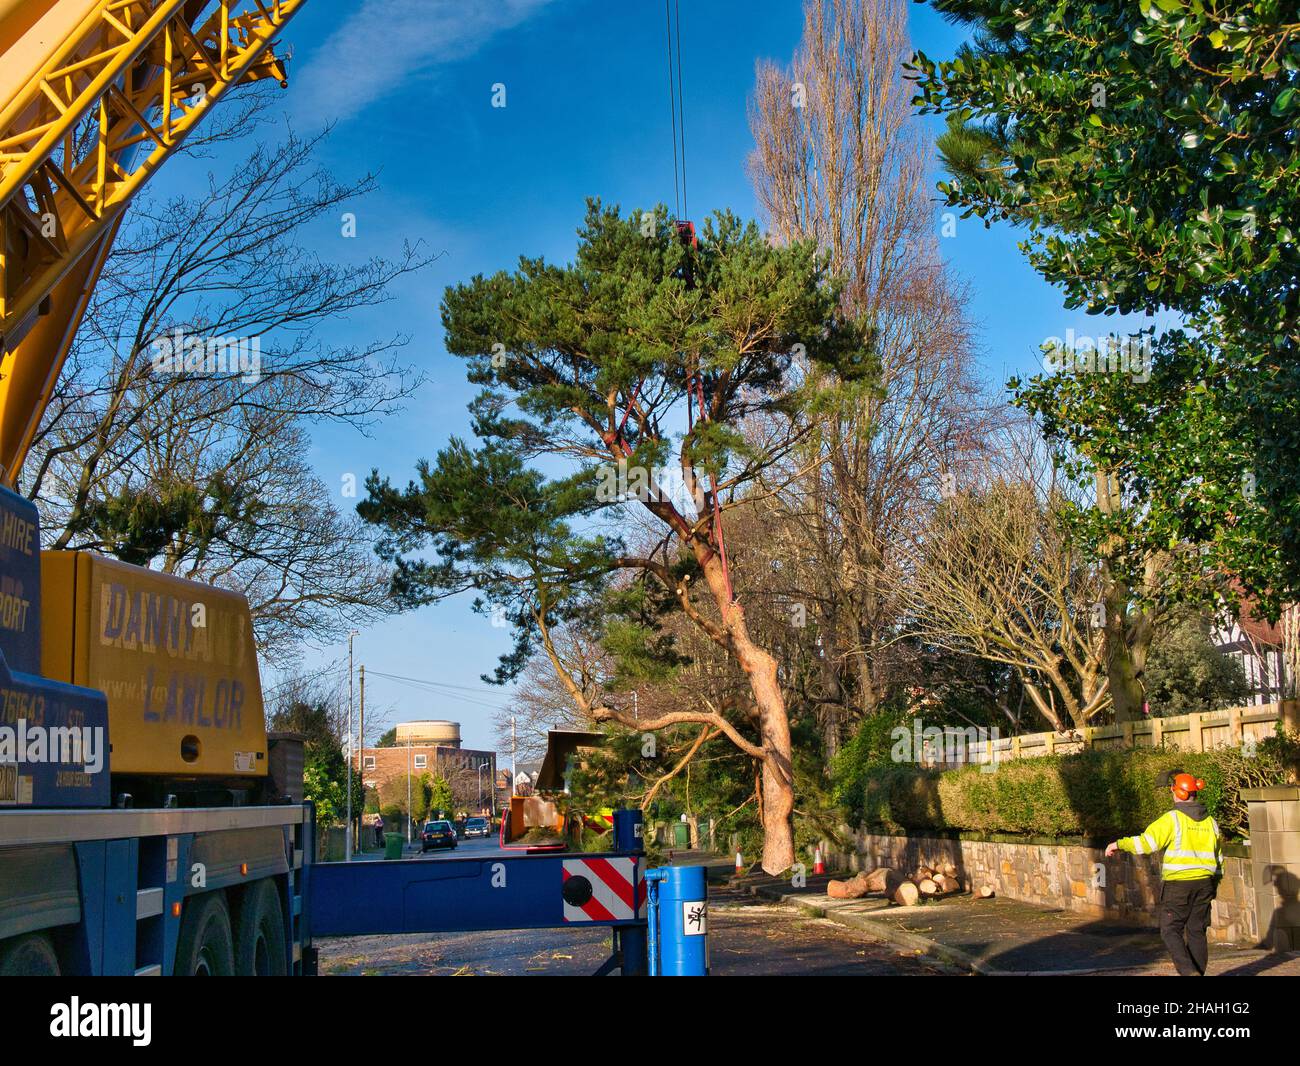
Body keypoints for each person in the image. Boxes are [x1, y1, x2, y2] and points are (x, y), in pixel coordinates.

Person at [1105, 771, 1222, 976]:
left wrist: (1119, 844)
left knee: (1170, 930)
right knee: (1197, 931)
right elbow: (1219, 858)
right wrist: (1214, 885)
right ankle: (1197, 973)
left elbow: (1146, 843)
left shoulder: (1172, 819)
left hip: (1178, 885)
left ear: (1179, 793)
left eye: (1172, 790)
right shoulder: (1211, 822)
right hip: (1205, 884)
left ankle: (1189, 973)